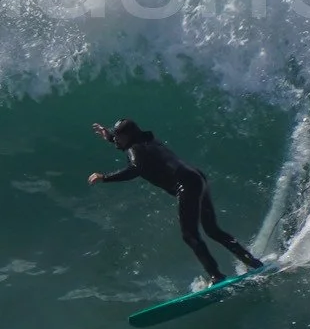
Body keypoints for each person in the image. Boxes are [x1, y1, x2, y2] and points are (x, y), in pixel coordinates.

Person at [88, 119, 265, 283]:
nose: (116, 140)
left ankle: (216, 276)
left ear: (129, 136)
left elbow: (134, 169)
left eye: (118, 136)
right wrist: (110, 137)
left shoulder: (135, 150)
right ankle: (253, 263)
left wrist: (105, 177)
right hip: (197, 178)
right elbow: (131, 148)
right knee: (212, 230)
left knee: (190, 235)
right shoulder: (147, 141)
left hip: (186, 186)